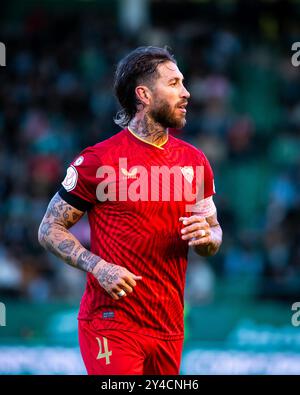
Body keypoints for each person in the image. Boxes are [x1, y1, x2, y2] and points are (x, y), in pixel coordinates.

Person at [38, 46, 222, 375]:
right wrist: (98, 267)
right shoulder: (99, 160)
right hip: (111, 322)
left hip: (168, 328)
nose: (187, 92)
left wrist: (208, 236)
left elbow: (213, 235)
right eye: (174, 83)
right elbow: (49, 229)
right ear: (144, 94)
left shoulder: (195, 162)